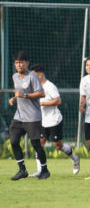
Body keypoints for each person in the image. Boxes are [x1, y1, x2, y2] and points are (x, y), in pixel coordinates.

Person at [29, 64, 80, 177]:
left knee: (58, 145)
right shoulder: (34, 87)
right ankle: (40, 171)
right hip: (41, 121)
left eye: (34, 76)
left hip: (54, 121)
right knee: (39, 144)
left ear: (40, 75)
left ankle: (75, 159)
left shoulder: (50, 86)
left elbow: (58, 101)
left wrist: (42, 103)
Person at [8, 51, 50, 180]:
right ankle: (22, 170)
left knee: (36, 145)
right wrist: (14, 98)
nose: (19, 65)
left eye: (21, 62)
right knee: (14, 141)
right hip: (19, 116)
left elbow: (41, 94)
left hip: (32, 117)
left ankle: (45, 170)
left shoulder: (33, 77)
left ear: (27, 63)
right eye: (16, 63)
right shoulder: (15, 76)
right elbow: (19, 92)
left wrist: (24, 95)